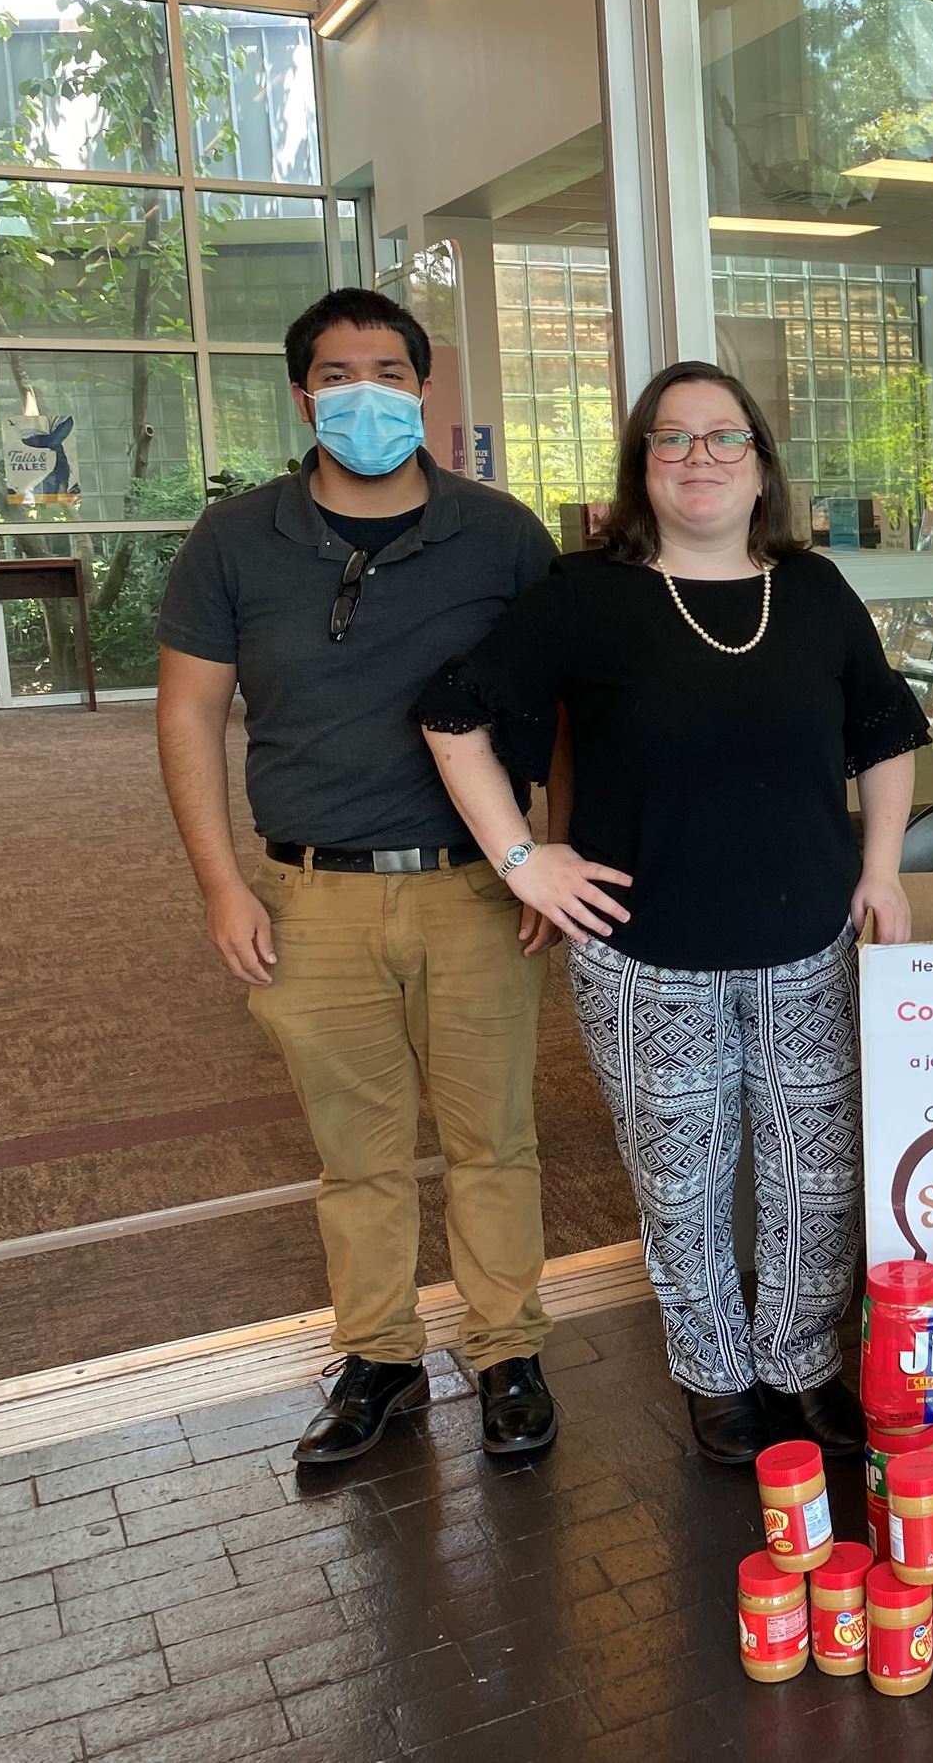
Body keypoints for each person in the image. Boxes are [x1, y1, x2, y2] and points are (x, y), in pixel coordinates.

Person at [418, 360, 927, 1465]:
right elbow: (452, 714)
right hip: (645, 959)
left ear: (760, 470)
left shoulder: (815, 592)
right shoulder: (587, 597)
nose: (699, 457)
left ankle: (802, 1365)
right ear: (640, 469)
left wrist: (879, 870)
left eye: (723, 438)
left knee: (818, 1174)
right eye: (672, 439)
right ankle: (715, 1376)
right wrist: (520, 858)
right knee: (682, 1183)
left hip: (807, 944)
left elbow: (885, 734)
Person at [157, 288, 564, 1466]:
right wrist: (221, 885)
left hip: (477, 889)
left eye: (387, 371)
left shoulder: (500, 537)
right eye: (338, 375)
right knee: (358, 1151)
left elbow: (566, 707)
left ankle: (507, 1354)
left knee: (495, 1138)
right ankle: (378, 1356)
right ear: (302, 395)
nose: (364, 394)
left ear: (424, 388)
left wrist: (546, 864)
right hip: (309, 896)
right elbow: (188, 717)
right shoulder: (234, 540)